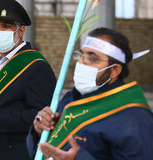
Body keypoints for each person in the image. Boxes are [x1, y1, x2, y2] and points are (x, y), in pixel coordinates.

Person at [27, 27, 153, 159]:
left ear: (115, 70)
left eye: (92, 59)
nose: (81, 63)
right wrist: (40, 132)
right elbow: (40, 152)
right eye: (81, 55)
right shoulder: (71, 99)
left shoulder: (136, 118)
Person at [0, 0, 56, 160]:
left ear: (20, 31)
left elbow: (42, 117)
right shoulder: (3, 61)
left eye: (6, 26)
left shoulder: (36, 65)